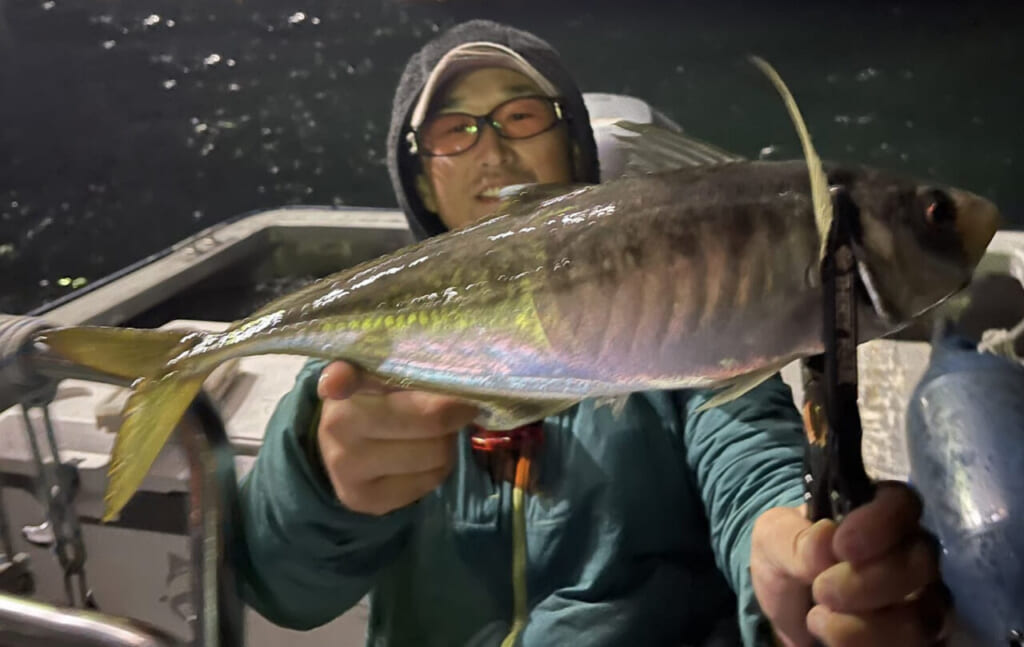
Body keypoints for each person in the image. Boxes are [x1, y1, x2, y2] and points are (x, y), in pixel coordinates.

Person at [235, 19, 949, 647]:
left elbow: (747, 449)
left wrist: (787, 544)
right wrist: (323, 488)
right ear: (421, 182)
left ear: (573, 143)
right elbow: (281, 593)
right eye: (455, 130)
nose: (493, 151)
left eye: (521, 116)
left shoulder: (685, 314)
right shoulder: (367, 367)